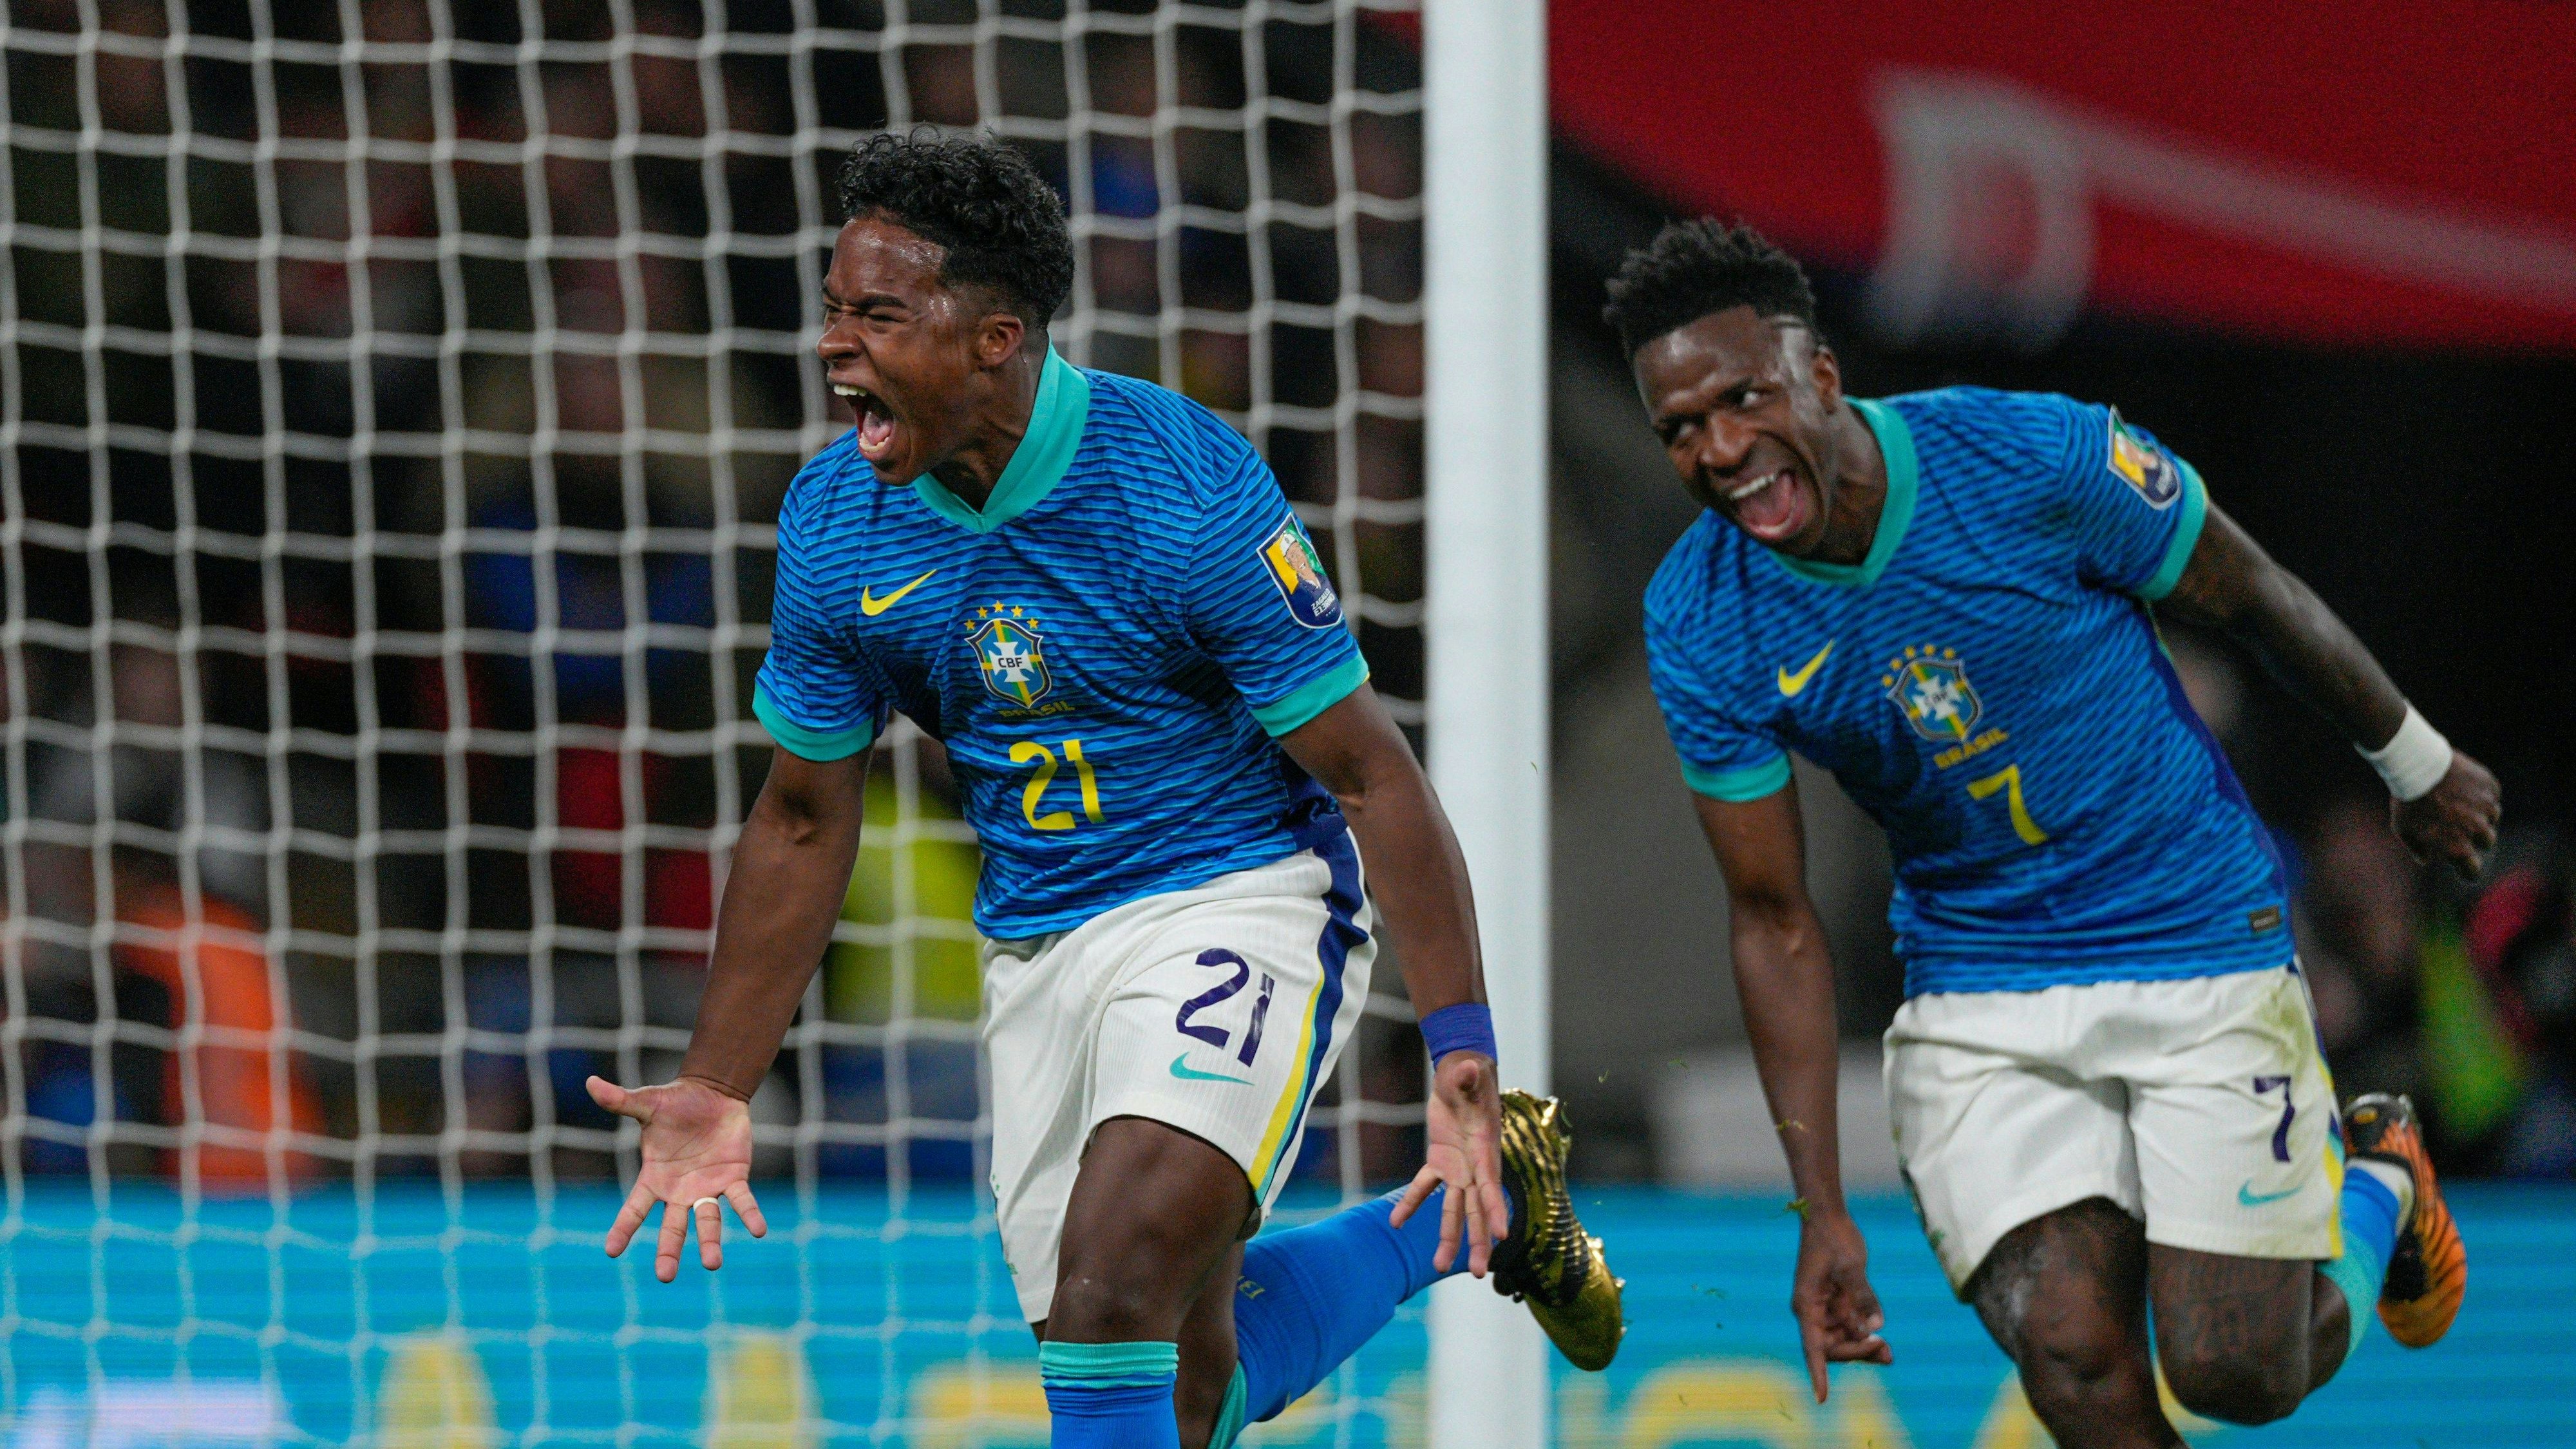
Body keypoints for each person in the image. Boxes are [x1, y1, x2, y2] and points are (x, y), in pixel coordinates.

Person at [582, 132, 1623, 1449]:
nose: (836, 347)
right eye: (833, 310)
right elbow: (801, 813)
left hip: (1240, 896)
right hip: (1041, 947)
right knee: (1185, 1387)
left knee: (1111, 1276)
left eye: (878, 316)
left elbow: (1371, 773)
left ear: (993, 339)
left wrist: (1461, 1050)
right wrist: (721, 1083)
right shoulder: (836, 523)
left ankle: (1467, 1184)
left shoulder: (1178, 492)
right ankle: (1479, 1222)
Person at [1607, 220, 2497, 1445]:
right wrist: (1819, 1206)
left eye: (1740, 400)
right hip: (1980, 986)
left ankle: (2384, 1179)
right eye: (1681, 430)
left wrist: (2414, 758)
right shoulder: (1703, 617)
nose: (1719, 450)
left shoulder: (2032, 455)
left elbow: (2253, 594)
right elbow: (1773, 915)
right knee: (2074, 1357)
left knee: (2237, 1371)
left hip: (2191, 934)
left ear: (1819, 375)